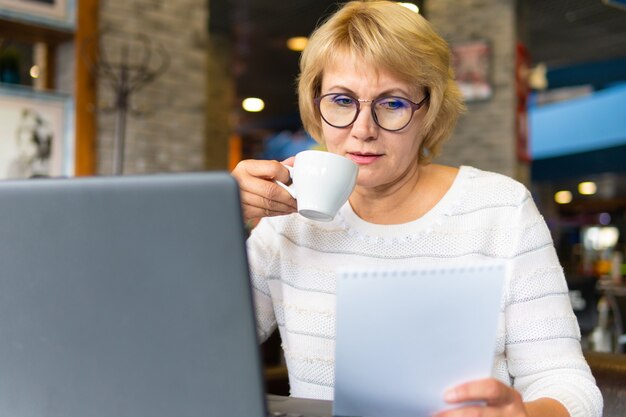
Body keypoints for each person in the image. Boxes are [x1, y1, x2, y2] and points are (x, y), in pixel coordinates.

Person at [231, 2, 603, 417]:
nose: (363, 129)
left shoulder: (500, 209)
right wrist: (219, 225)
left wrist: (523, 415)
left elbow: (570, 385)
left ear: (429, 112)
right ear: (315, 105)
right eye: (341, 100)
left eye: (392, 104)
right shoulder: (284, 221)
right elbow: (191, 343)